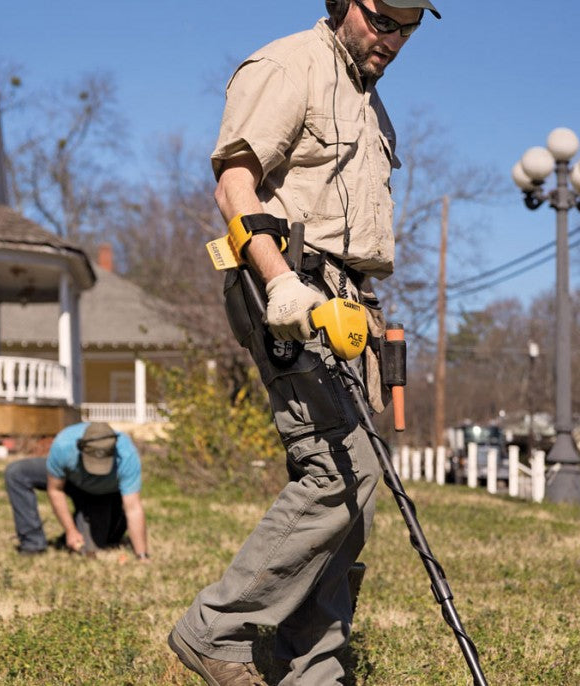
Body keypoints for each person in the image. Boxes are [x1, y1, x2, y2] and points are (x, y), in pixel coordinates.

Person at [168, 2, 439, 684]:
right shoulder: (290, 65)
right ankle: (217, 631)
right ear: (343, 2)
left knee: (352, 483)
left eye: (409, 26)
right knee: (338, 470)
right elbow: (235, 183)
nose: (394, 39)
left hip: (346, 301)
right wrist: (283, 284)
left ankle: (314, 669)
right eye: (383, 20)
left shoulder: (369, 105)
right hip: (290, 287)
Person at [4, 422, 150, 562]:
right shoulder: (64, 445)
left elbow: (133, 508)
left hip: (101, 494)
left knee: (89, 548)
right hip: (70, 480)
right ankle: (33, 543)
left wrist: (142, 556)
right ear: (80, 449)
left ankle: (106, 522)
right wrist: (71, 530)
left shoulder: (127, 456)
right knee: (16, 473)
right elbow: (55, 490)